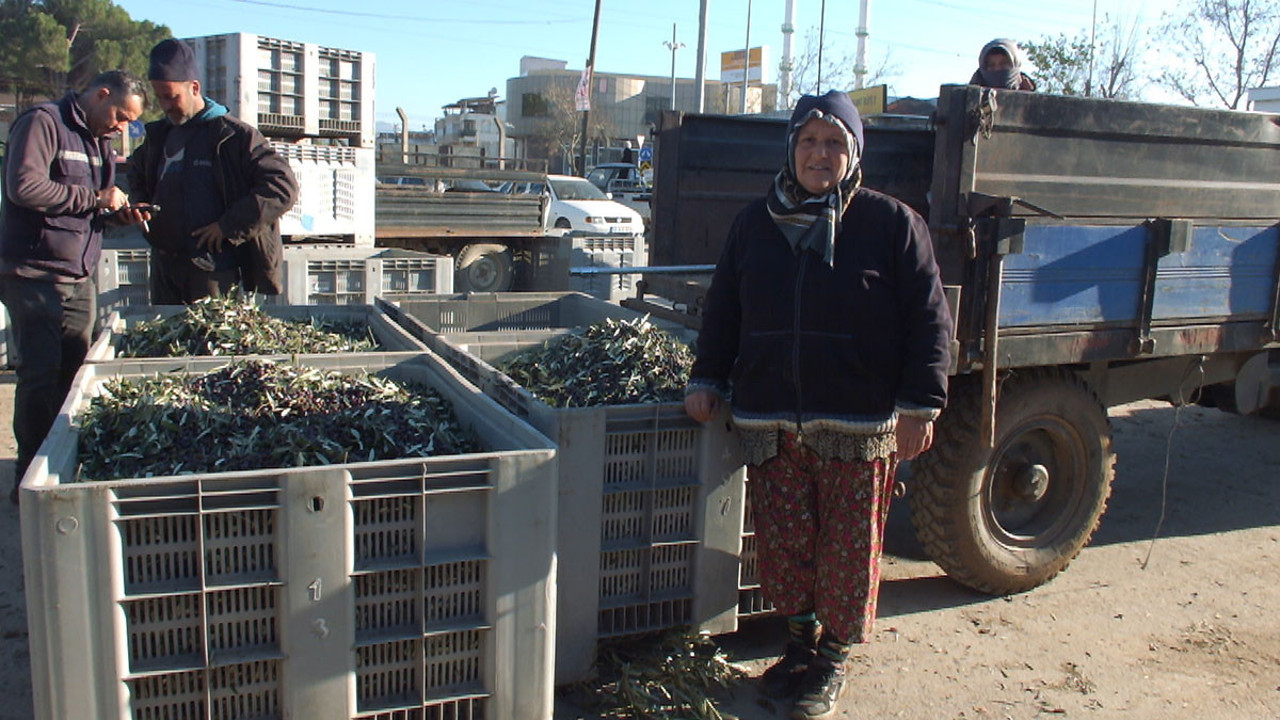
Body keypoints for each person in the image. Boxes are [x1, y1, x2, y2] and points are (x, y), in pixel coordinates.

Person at [684, 90, 952, 720]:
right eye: (808, 141)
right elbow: (724, 310)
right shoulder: (755, 224)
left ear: (854, 153)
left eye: (834, 142)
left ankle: (831, 659)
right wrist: (707, 377)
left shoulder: (891, 224)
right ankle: (799, 647)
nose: (819, 154)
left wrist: (921, 404)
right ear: (791, 149)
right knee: (785, 547)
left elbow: (929, 320)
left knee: (847, 553)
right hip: (770, 419)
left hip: (857, 425)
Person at [0, 71, 150, 503]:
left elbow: (87, 211)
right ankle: (29, 480)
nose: (122, 127)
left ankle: (60, 467)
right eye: (120, 116)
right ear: (101, 95)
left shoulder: (99, 142)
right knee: (40, 376)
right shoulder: (43, 123)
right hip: (34, 274)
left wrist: (116, 216)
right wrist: (96, 200)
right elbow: (25, 187)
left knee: (73, 376)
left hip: (78, 274)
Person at [128, 38, 299, 304]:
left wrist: (227, 226)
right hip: (165, 270)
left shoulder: (234, 136)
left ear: (194, 87)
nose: (165, 106)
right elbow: (135, 171)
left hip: (213, 272)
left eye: (171, 96)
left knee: (208, 331)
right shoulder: (158, 136)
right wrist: (140, 203)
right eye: (159, 97)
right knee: (165, 331)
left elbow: (282, 188)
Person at [969, 38, 1038, 91]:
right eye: (991, 65)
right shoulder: (966, 99)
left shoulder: (1034, 100)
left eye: (1004, 63)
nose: (997, 69)